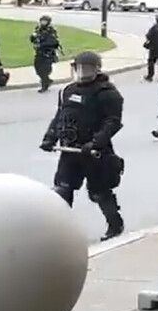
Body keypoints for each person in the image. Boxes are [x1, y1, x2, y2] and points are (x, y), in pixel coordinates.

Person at [39, 51, 125, 242]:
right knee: (62, 190)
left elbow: (113, 122)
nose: (83, 72)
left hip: (95, 153)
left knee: (99, 192)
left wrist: (95, 142)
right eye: (79, 68)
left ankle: (115, 224)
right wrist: (50, 137)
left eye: (87, 69)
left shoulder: (107, 93)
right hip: (70, 151)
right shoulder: (68, 91)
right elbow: (60, 117)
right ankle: (59, 229)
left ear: (97, 69)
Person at [29, 15, 60, 93]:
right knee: (37, 67)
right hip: (39, 53)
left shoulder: (51, 30)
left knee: (44, 70)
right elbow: (33, 39)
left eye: (45, 21)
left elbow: (52, 42)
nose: (43, 23)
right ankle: (47, 80)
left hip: (48, 54)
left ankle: (44, 85)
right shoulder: (38, 29)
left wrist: (41, 45)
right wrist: (33, 37)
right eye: (42, 21)